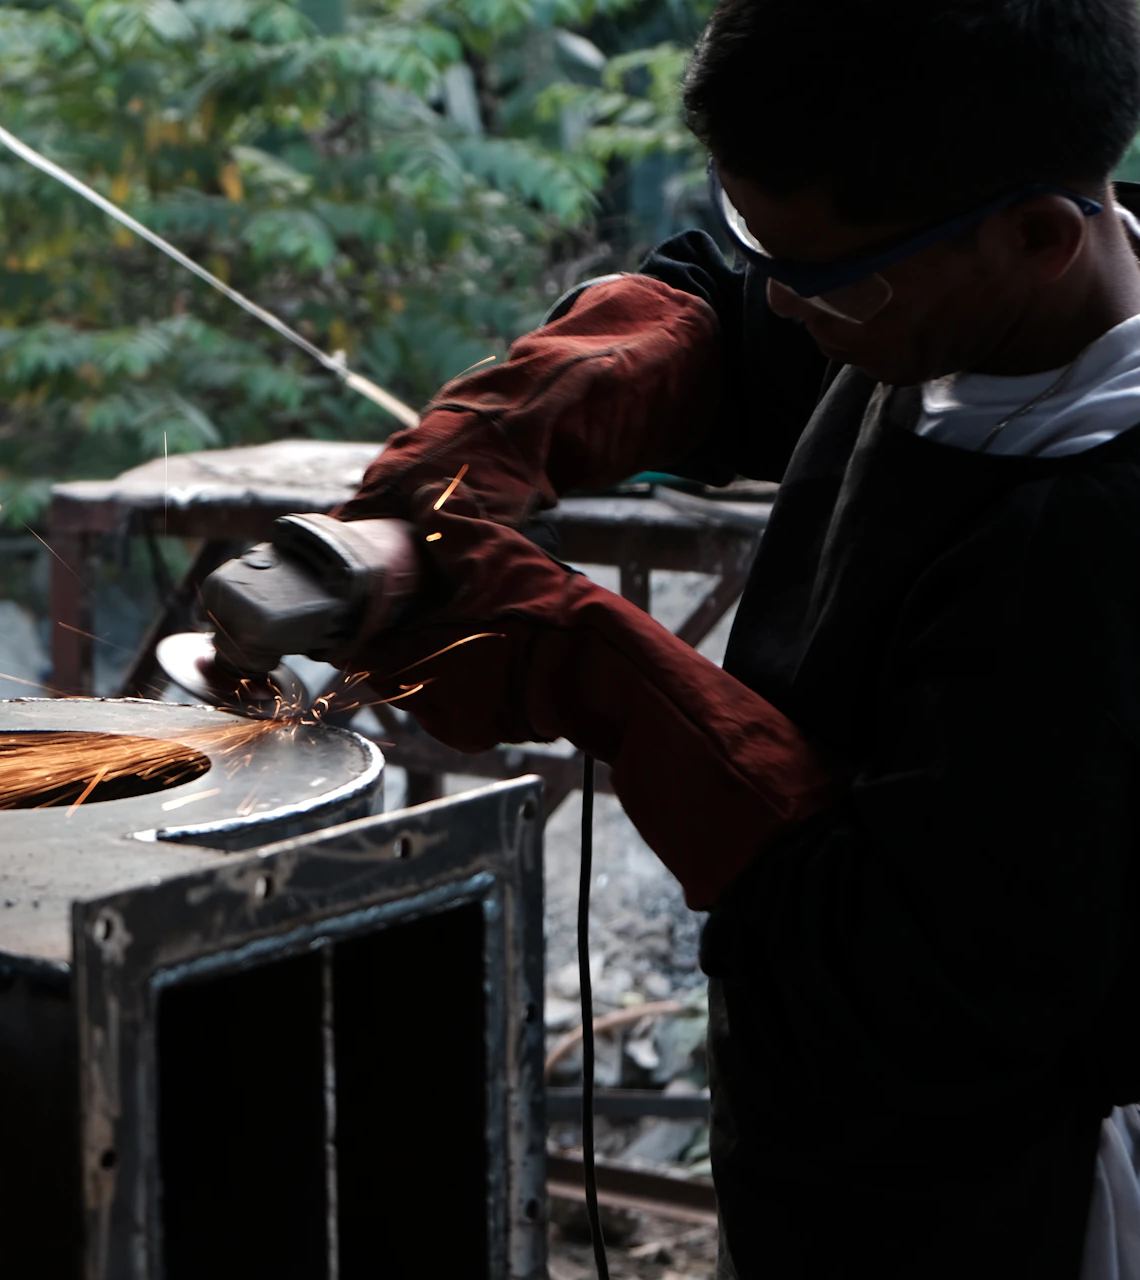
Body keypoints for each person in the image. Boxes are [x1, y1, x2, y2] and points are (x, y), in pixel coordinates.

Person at [293, 1, 1140, 1274]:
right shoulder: (952, 305)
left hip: (996, 1191)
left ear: (1036, 236)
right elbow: (741, 324)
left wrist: (589, 660)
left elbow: (903, 974)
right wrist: (537, 408)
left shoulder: (1089, 540)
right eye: (765, 246)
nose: (782, 301)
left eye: (820, 276)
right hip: (821, 1140)